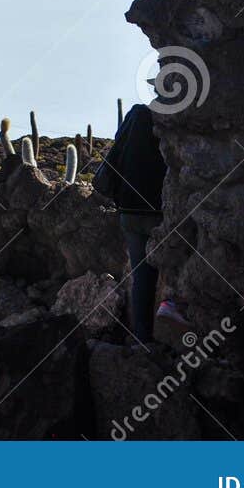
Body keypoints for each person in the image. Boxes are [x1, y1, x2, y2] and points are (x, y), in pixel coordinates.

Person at [94, 102, 166, 345]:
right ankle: (172, 332)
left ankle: (142, 340)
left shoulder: (131, 122)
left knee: (142, 279)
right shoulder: (166, 124)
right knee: (173, 271)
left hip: (129, 213)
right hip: (158, 213)